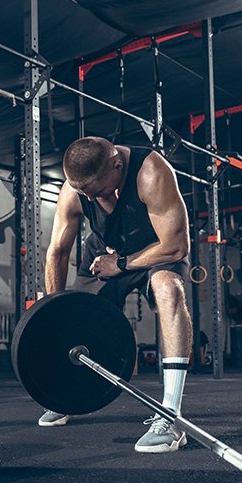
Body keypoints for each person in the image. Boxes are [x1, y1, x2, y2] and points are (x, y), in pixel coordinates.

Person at [39, 136, 193, 454]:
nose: (91, 199)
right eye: (85, 193)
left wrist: (121, 264)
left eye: (98, 191)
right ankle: (68, 395)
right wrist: (56, 309)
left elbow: (177, 246)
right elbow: (57, 252)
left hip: (156, 251)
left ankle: (170, 416)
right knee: (76, 313)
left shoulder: (151, 173)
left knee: (169, 290)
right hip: (103, 255)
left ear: (117, 165)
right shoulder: (75, 191)